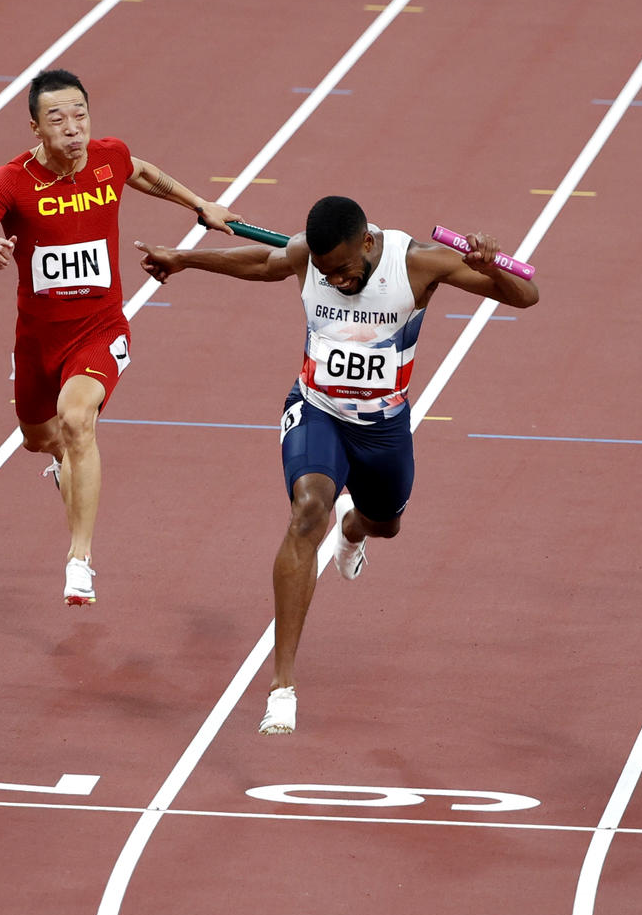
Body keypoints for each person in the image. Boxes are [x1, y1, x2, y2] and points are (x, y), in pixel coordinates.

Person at [134, 196, 539, 733]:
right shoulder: (310, 258)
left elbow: (526, 296)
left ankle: (355, 527)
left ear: (368, 243)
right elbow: (262, 263)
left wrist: (492, 266)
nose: (338, 282)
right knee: (307, 511)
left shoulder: (417, 262)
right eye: (327, 274)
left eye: (345, 270)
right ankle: (283, 685)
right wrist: (184, 259)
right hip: (316, 409)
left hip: (382, 427)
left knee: (385, 523)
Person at [0, 69, 237, 605]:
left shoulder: (110, 157)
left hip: (100, 330)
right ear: (35, 127)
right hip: (36, 341)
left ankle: (79, 561)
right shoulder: (10, 182)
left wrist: (201, 205)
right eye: (58, 118)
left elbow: (143, 173)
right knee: (39, 438)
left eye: (80, 114)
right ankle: (60, 464)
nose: (73, 128)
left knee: (78, 418)